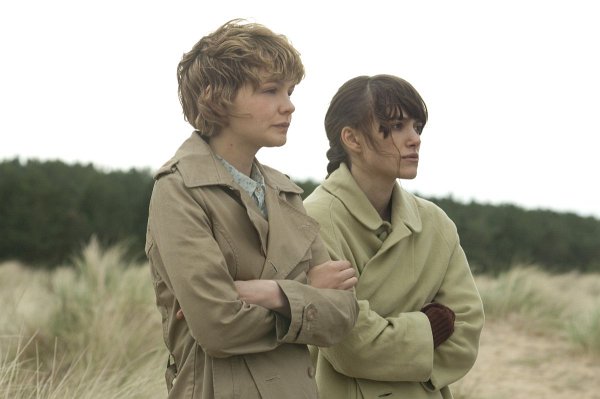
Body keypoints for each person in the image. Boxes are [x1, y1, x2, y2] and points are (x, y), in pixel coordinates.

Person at [145, 19, 358, 399]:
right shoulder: (178, 189)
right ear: (217, 98)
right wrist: (305, 292)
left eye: (290, 91)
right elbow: (217, 327)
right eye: (270, 90)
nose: (289, 105)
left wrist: (271, 293)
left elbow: (342, 315)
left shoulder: (285, 192)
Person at [304, 74, 485, 398]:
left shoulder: (435, 224)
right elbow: (349, 345)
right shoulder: (315, 219)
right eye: (397, 126)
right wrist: (427, 330)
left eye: (417, 126)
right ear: (352, 139)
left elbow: (467, 329)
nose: (414, 138)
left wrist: (385, 344)